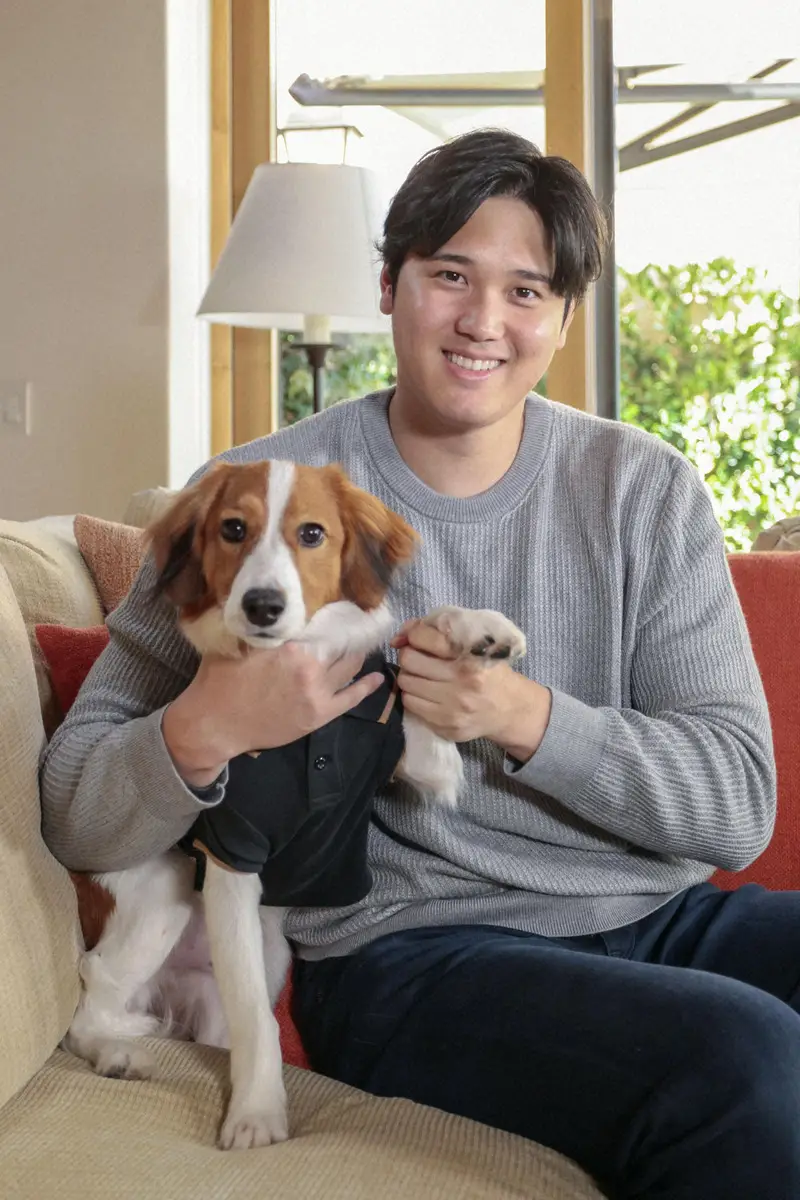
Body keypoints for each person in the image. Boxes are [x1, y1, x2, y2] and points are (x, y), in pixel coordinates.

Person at [41, 128, 800, 1198]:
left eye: (526, 290)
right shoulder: (249, 503)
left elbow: (734, 807)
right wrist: (209, 721)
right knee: (744, 1056)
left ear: (563, 317)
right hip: (411, 955)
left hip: (654, 914)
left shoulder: (643, 490)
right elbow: (74, 805)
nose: (483, 321)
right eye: (450, 276)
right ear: (389, 285)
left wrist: (525, 716)